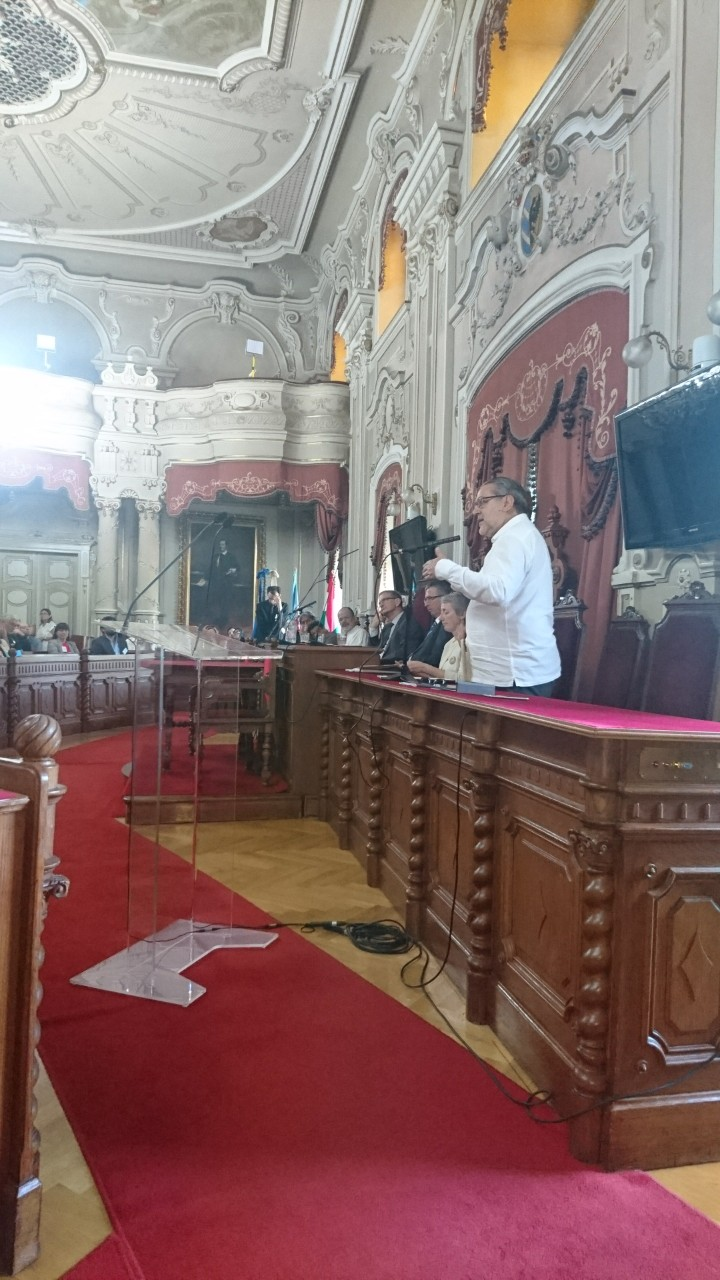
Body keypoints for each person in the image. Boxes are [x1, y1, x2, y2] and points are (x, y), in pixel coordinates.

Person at [423, 476, 560, 696]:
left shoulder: (515, 538)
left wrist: (447, 569)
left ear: (507, 502)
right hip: (507, 673)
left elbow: (497, 591)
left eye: (482, 502)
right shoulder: (516, 536)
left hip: (515, 676)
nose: (476, 511)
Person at [407, 593, 472, 683]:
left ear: (462, 614)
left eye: (446, 612)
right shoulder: (448, 644)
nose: (441, 618)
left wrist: (424, 668)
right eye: (441, 612)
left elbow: (464, 680)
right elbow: (442, 678)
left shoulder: (471, 642)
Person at [368, 590, 425, 666]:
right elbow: (374, 651)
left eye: (384, 600)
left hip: (394, 668)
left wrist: (380, 661)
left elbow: (405, 653)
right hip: (380, 666)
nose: (381, 605)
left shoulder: (409, 623)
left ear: (397, 602)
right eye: (379, 603)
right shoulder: (387, 628)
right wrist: (373, 628)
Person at [407, 580, 452, 666]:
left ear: (445, 597)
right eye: (425, 600)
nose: (426, 604)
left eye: (430, 598)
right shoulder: (434, 623)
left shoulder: (447, 626)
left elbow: (436, 656)